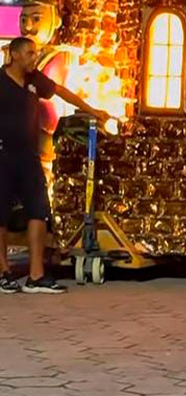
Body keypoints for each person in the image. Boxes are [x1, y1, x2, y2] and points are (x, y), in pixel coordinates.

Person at [0, 37, 108, 294]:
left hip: (29, 156)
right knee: (0, 215)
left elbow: (60, 91)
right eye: (29, 53)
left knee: (38, 210)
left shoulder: (33, 79)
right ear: (14, 55)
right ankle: (3, 272)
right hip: (2, 156)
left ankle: (36, 276)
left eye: (35, 53)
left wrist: (91, 110)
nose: (34, 57)